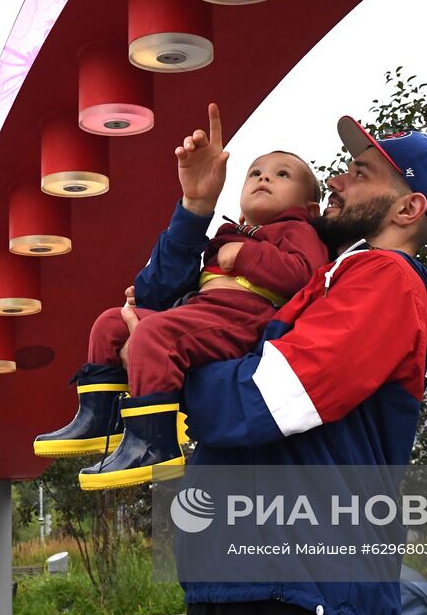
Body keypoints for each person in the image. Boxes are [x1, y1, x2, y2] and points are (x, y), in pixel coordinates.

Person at [124, 104, 427, 615]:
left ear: (408, 209)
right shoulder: (314, 282)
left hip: (309, 594)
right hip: (229, 581)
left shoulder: (386, 278)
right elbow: (161, 309)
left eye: (360, 173)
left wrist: (163, 379)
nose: (336, 179)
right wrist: (195, 210)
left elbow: (271, 397)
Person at [34, 149, 328, 490]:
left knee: (156, 334)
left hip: (245, 317)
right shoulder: (229, 233)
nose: (264, 177)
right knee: (111, 323)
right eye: (255, 172)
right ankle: (100, 418)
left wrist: (246, 254)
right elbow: (168, 289)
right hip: (205, 311)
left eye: (282, 174)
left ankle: (154, 444)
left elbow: (305, 276)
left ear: (310, 210)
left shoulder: (300, 231)